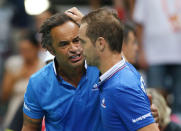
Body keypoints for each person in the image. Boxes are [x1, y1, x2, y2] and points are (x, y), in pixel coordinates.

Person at [22, 9, 158, 131]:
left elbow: (121, 69)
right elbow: (29, 127)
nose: (74, 48)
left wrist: (142, 113)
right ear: (51, 50)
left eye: (77, 40)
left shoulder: (102, 67)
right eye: (64, 44)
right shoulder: (38, 82)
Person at [78, 8, 159, 131]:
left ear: (100, 44)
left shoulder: (121, 87)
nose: (80, 49)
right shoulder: (123, 68)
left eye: (83, 42)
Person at [133, 0, 181, 114]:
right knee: (156, 100)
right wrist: (141, 51)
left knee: (179, 100)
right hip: (154, 56)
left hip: (178, 55)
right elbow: (139, 24)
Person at [1, 31, 44, 130]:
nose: (25, 53)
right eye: (22, 50)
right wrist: (17, 76)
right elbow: (4, 96)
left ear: (36, 48)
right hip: (13, 112)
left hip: (35, 116)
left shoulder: (44, 67)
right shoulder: (13, 63)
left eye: (28, 50)